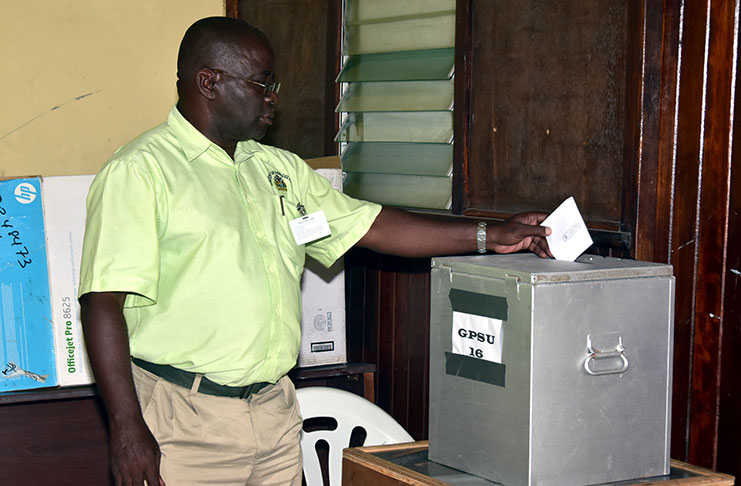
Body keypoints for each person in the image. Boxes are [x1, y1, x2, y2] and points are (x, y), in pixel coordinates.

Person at [78, 16, 552, 486]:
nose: (273, 97)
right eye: (262, 83)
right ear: (209, 82)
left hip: (274, 415)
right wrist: (125, 428)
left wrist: (490, 235)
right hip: (184, 422)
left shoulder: (276, 168)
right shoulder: (141, 172)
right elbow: (102, 305)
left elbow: (372, 226)